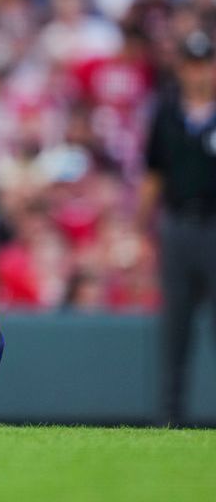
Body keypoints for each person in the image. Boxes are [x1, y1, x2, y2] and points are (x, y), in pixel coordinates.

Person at [140, 30, 216, 426]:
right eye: (191, 65)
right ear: (181, 68)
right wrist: (140, 228)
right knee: (177, 328)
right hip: (177, 226)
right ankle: (171, 419)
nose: (198, 73)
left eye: (205, 64)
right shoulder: (167, 112)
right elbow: (152, 175)